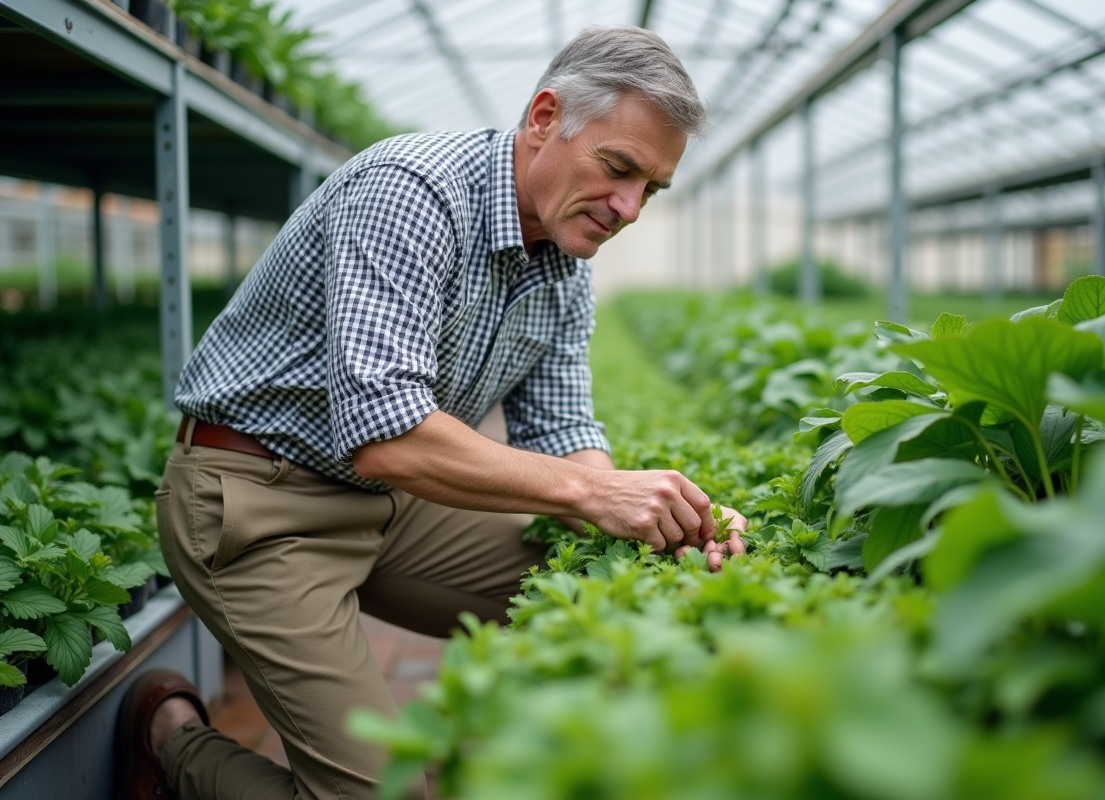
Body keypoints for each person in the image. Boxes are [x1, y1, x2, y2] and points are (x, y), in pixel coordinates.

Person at [115, 24, 747, 800]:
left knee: (602, 581)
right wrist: (593, 493)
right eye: (619, 168)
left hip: (389, 505)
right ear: (546, 117)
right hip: (256, 502)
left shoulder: (563, 261)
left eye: (651, 188)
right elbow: (386, 437)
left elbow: (563, 432)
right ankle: (172, 742)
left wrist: (663, 523)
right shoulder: (412, 191)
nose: (629, 208)